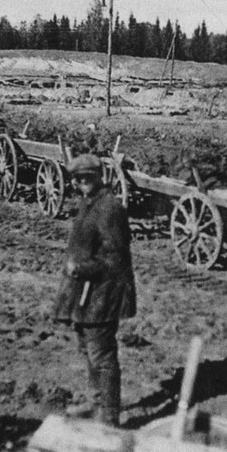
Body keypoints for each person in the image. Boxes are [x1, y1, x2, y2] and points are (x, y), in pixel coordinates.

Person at [54, 153, 136, 427]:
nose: (80, 183)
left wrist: (82, 269)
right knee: (87, 349)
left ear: (100, 177)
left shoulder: (110, 208)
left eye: (86, 178)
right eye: (77, 179)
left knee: (102, 355)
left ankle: (110, 416)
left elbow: (115, 259)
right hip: (86, 292)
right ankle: (96, 402)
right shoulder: (89, 203)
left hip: (104, 292)